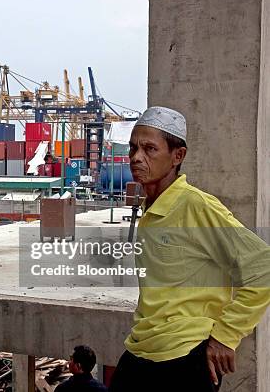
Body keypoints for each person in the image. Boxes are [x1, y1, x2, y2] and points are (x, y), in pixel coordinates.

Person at [109, 107, 270, 392]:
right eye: (133, 148)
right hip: (142, 348)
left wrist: (226, 336)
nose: (136, 157)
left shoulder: (196, 206)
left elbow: (263, 268)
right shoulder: (151, 209)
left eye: (149, 149)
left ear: (177, 156)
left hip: (185, 358)